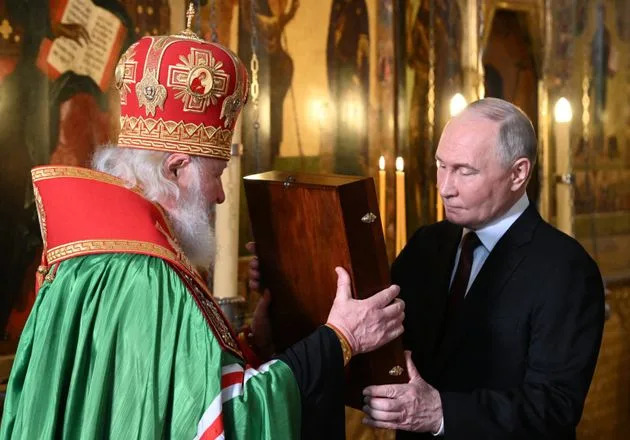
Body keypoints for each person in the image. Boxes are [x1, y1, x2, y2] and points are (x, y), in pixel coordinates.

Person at [0, 21, 405, 440]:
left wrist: (253, 344)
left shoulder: (90, 254)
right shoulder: (146, 275)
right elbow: (226, 422)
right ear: (175, 168)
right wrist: (339, 338)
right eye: (218, 174)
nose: (220, 196)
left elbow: (168, 396)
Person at [359, 98, 605, 439]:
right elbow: (375, 337)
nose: (445, 187)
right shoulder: (426, 245)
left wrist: (440, 414)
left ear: (518, 173)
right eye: (441, 166)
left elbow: (554, 406)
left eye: (465, 170)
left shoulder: (567, 270)